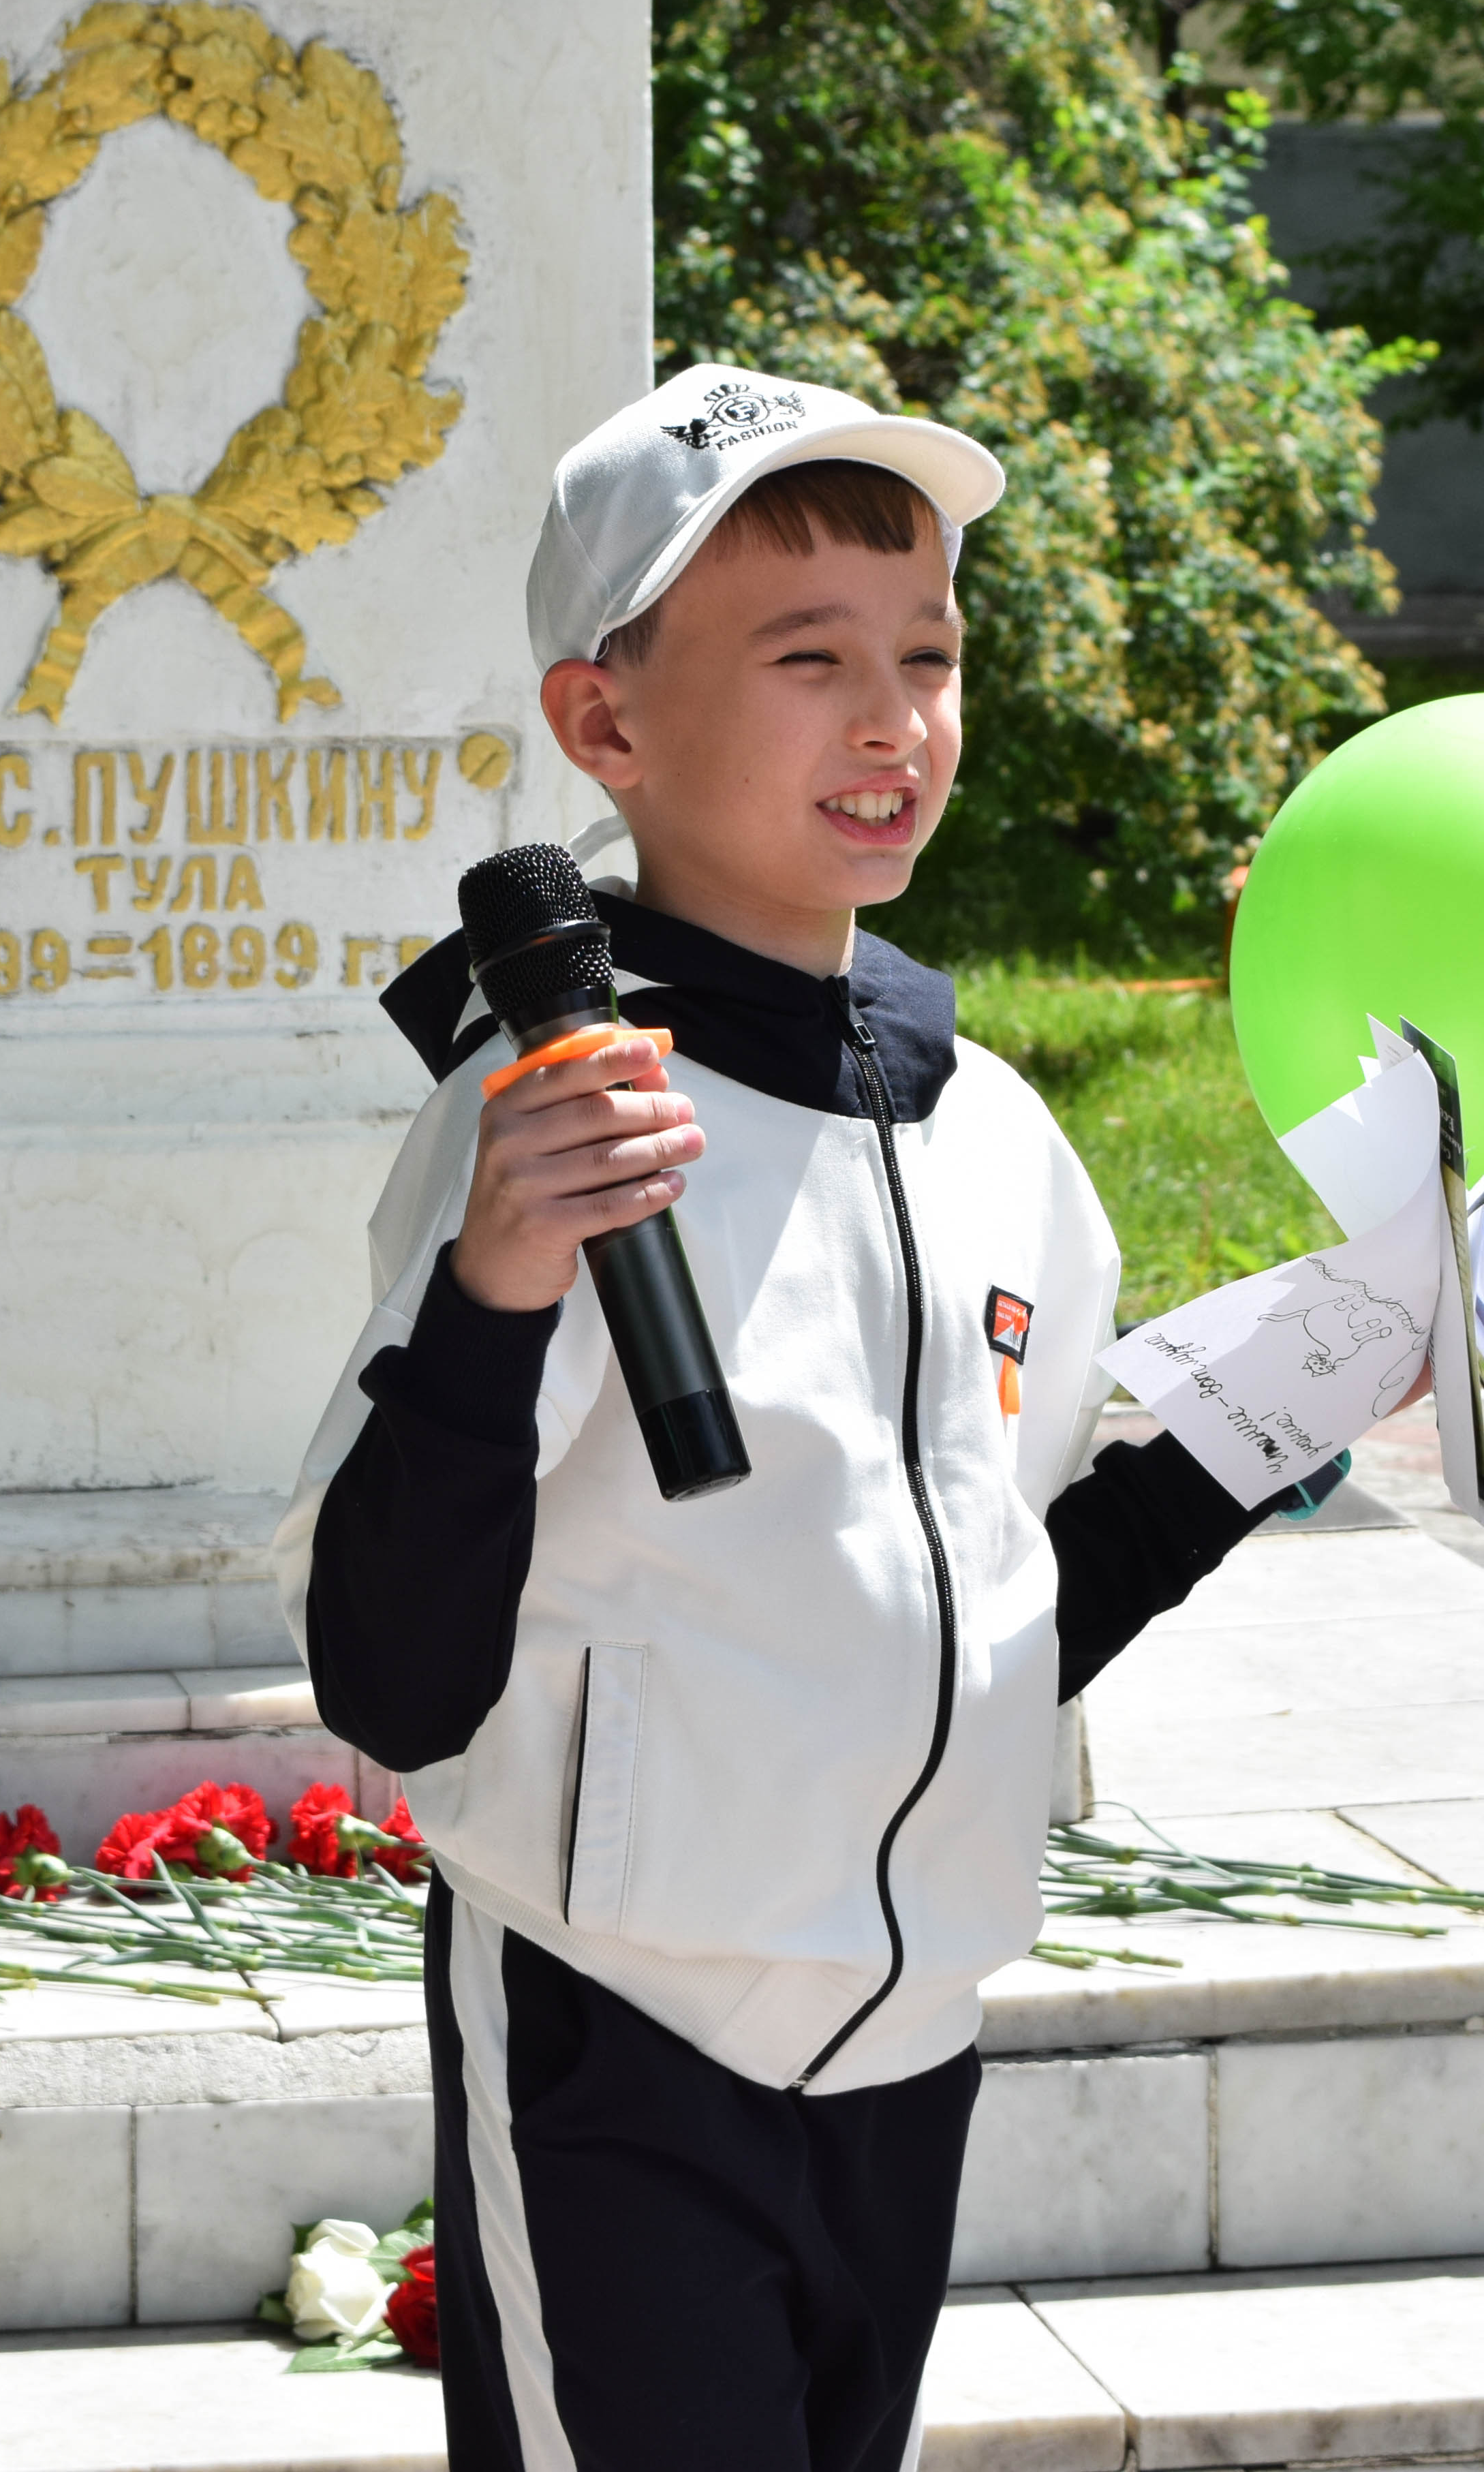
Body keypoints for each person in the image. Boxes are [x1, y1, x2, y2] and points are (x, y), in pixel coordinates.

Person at [280, 365, 1301, 2471]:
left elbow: (1004, 1610)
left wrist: (1270, 1419)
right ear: (606, 724)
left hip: (912, 2036)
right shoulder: (547, 1126)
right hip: (619, 2029)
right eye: (809, 657)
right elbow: (388, 1675)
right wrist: (493, 1296)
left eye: (927, 654)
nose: (891, 717)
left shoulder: (1001, 1136)